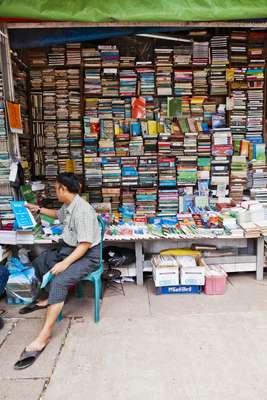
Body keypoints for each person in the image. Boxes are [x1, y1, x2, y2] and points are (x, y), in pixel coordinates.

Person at [14, 173, 101, 369]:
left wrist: (64, 264)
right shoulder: (69, 205)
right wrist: (37, 209)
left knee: (60, 279)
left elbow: (85, 245)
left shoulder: (83, 211)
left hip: (87, 256)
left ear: (63, 189)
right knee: (41, 260)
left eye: (55, 188)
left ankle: (43, 335)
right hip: (70, 249)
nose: (55, 191)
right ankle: (46, 299)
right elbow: (57, 215)